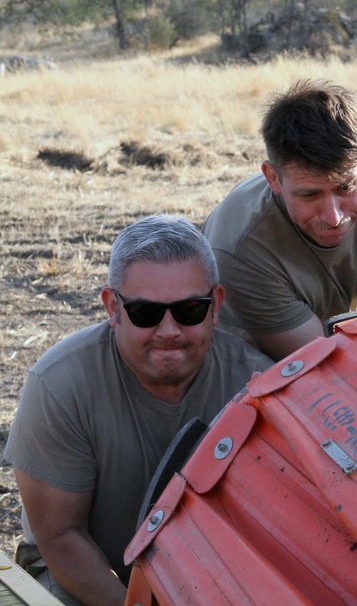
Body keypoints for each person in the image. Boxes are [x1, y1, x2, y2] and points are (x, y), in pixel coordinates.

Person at [3, 215, 274, 606]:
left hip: (214, 578)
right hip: (87, 577)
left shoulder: (259, 385)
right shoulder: (59, 386)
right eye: (146, 313)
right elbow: (61, 537)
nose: (168, 331)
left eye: (189, 310)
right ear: (113, 308)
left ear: (215, 306)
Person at [202, 79, 357, 361]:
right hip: (246, 362)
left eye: (345, 188)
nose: (334, 216)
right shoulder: (238, 246)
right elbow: (327, 363)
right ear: (273, 178)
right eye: (310, 195)